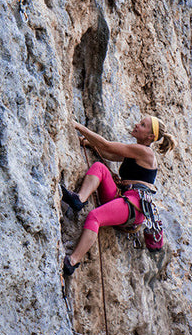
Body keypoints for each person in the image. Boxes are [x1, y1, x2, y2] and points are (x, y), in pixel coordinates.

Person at [61, 116, 176, 275]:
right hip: (123, 197)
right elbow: (108, 154)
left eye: (142, 125)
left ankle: (72, 261)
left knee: (94, 216)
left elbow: (106, 145)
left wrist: (78, 127)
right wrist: (88, 143)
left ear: (150, 137)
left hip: (134, 206)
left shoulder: (146, 152)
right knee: (100, 167)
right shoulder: (136, 151)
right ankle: (79, 199)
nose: (137, 124)